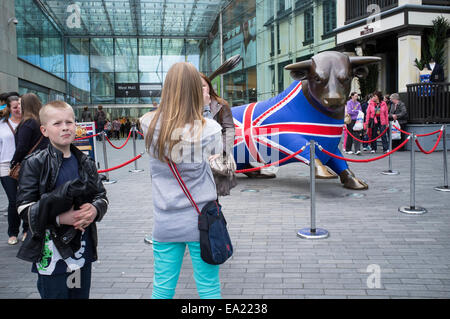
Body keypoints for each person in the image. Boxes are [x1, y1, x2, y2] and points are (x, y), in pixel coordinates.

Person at [140, 62, 223, 299]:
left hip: (165, 221)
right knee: (208, 288)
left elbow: (154, 118)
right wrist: (205, 107)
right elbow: (218, 158)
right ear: (198, 91)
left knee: (162, 289)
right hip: (202, 220)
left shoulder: (148, 123)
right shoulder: (211, 129)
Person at [15, 100, 108, 299]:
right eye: (57, 123)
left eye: (69, 122)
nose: (65, 127)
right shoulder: (34, 163)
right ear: (44, 130)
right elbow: (24, 209)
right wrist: (59, 219)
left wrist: (94, 209)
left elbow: (101, 196)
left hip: (81, 251)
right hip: (51, 253)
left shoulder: (86, 162)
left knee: (79, 296)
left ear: (76, 126)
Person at [200, 72, 237, 196]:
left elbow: (229, 129)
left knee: (213, 195)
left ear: (209, 87)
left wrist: (223, 151)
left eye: (203, 86)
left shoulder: (221, 104)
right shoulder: (187, 106)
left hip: (215, 155)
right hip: (196, 156)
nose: (201, 89)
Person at [0, 96, 24, 245]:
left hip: (26, 165)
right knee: (13, 200)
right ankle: (13, 232)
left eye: (20, 106)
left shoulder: (28, 123)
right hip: (5, 165)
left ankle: (27, 230)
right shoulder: (2, 125)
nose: (18, 109)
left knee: (28, 198)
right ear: (9, 108)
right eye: (15, 107)